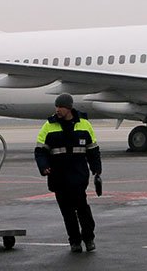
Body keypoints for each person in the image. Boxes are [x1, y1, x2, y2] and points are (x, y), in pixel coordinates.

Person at [35, 93, 102, 253]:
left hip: (78, 175)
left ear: (69, 108)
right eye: (56, 107)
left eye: (61, 107)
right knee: (67, 212)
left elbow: (93, 150)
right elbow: (40, 151)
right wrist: (43, 166)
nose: (57, 110)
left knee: (82, 208)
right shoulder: (48, 126)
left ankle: (89, 238)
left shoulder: (84, 125)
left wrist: (96, 170)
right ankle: (74, 241)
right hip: (58, 177)